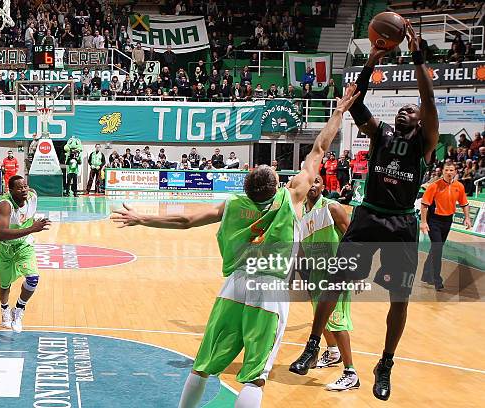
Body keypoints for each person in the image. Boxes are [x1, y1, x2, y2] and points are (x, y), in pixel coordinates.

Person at [111, 83, 361, 408]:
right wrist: (339, 111)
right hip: (270, 289)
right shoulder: (291, 199)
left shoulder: (231, 206)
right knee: (255, 375)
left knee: (203, 367)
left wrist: (142, 218)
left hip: (234, 286)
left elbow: (186, 220)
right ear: (275, 185)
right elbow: (318, 149)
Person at [289, 23, 439, 402]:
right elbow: (355, 101)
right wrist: (371, 60)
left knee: (399, 299)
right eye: (402, 108)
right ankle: (311, 344)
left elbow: (429, 101)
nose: (406, 110)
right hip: (369, 214)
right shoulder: (381, 134)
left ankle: (385, 362)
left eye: (411, 108)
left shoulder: (425, 143)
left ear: (420, 119)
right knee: (334, 283)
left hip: (402, 222)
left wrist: (418, 56)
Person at [300, 175, 358, 391]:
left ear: (323, 186)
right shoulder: (303, 212)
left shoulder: (332, 208)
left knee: (337, 322)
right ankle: (333, 352)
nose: (313, 186)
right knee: (319, 317)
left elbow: (352, 237)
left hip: (335, 273)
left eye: (317, 181)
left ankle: (351, 372)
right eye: (310, 182)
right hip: (315, 274)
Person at [0, 176, 51, 333]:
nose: (24, 190)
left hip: (24, 245)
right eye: (19, 188)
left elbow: (28, 215)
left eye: (25, 186)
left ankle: (18, 309)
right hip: (3, 247)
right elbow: (3, 233)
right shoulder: (5, 205)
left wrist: (33, 225)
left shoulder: (32, 196)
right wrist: (33, 228)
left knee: (33, 279)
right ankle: (5, 309)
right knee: (5, 284)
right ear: (10, 190)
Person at [420, 162, 471, 290]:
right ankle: (437, 280)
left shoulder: (459, 186)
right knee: (438, 248)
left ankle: (426, 275)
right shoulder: (434, 186)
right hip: (434, 221)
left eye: (451, 170)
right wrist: (423, 222)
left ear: (455, 172)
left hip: (448, 221)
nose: (449, 172)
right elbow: (424, 204)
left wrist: (467, 218)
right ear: (442, 172)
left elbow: (464, 203)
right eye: (446, 170)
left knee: (436, 248)